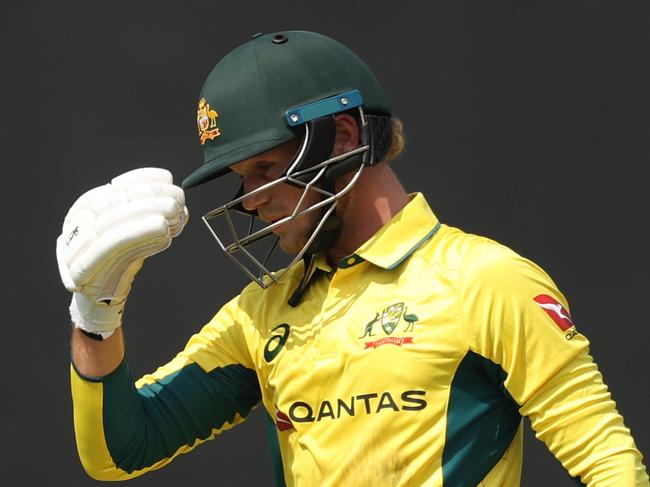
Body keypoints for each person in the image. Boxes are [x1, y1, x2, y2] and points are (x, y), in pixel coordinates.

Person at [56, 31, 648, 486]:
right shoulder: (261, 312)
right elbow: (118, 452)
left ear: (342, 137)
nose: (254, 199)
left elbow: (609, 463)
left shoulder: (486, 282)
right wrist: (96, 314)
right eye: (242, 178)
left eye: (265, 168)